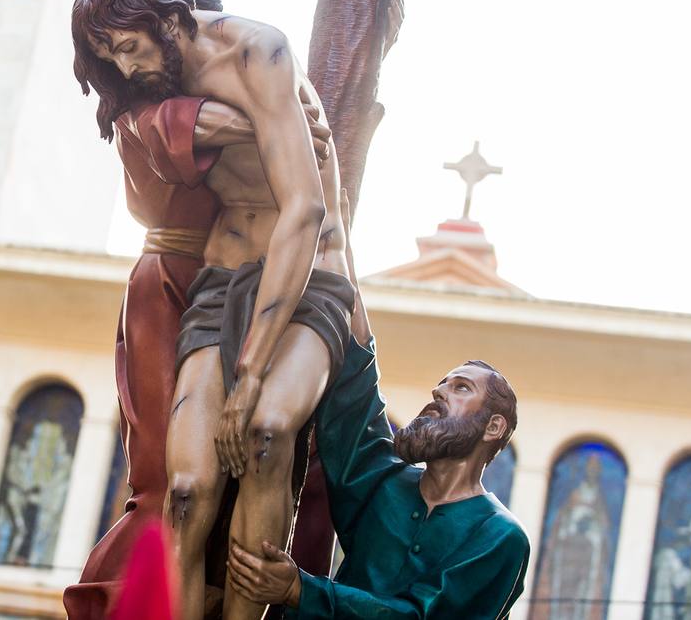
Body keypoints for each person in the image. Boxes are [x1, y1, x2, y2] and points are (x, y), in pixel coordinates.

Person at [65, 0, 337, 620]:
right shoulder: (141, 91)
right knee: (170, 484)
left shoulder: (233, 49)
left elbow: (300, 198)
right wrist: (288, 115)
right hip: (176, 285)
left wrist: (291, 110)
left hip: (278, 273)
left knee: (273, 456)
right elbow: (229, 129)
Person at [224, 196, 530, 618]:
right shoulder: (384, 484)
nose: (439, 392)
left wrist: (302, 592)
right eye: (441, 383)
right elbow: (357, 390)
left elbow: (423, 617)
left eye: (460, 388)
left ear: (493, 426)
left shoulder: (498, 537)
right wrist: (337, 239)